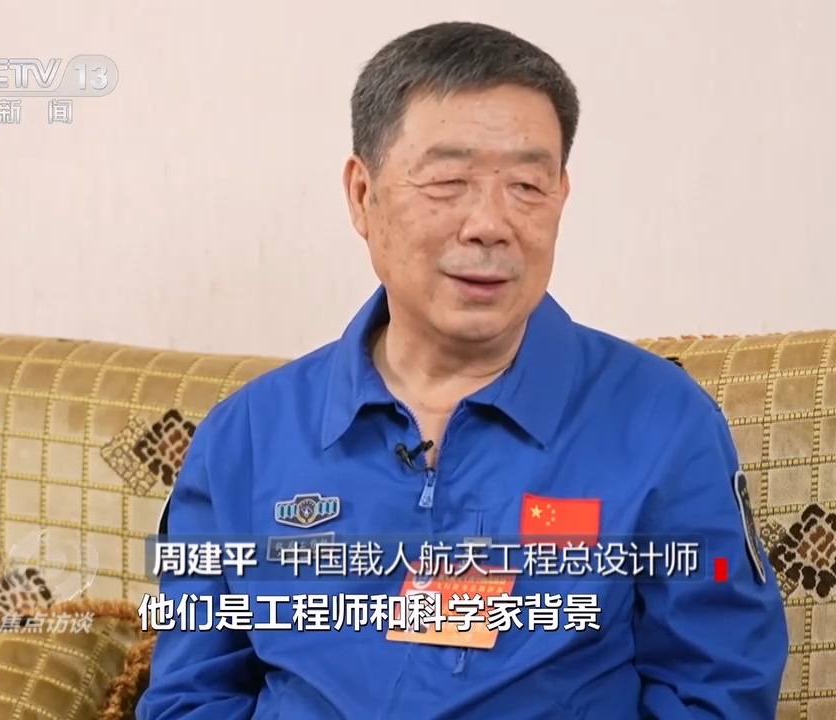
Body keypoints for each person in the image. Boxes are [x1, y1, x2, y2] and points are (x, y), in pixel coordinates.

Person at [136, 20, 788, 720]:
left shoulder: (663, 422)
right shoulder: (245, 437)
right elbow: (189, 695)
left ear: (562, 195)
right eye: (449, 181)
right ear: (362, 195)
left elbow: (717, 690)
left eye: (527, 185)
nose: (490, 224)